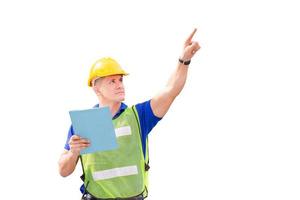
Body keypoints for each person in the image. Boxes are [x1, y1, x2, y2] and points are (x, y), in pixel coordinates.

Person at [58, 28, 201, 200]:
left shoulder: (138, 116)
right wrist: (73, 153)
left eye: (120, 80)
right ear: (97, 88)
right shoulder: (83, 125)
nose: (120, 85)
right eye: (112, 81)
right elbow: (63, 171)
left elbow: (171, 91)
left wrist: (183, 61)